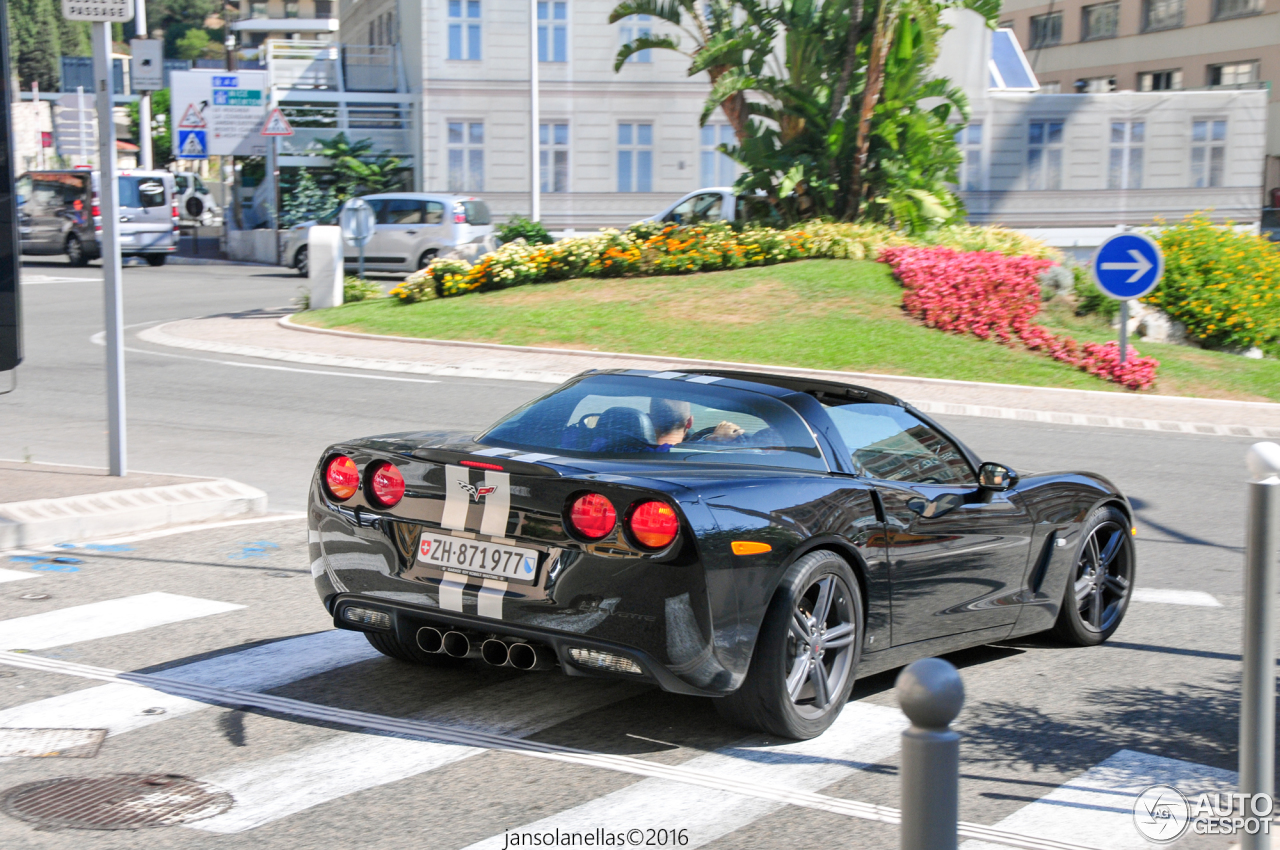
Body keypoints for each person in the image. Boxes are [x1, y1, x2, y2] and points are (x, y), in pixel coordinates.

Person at [650, 399, 744, 447]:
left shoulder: (638, 449)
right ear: (690, 422)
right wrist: (712, 443)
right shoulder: (690, 454)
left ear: (649, 419)